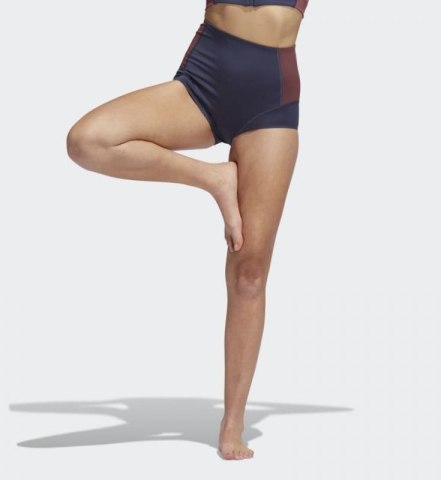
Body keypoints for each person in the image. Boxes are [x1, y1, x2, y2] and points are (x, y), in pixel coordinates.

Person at [66, 0, 309, 461]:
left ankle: (232, 422)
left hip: (271, 98)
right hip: (204, 81)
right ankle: (213, 178)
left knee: (250, 271)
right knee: (87, 141)